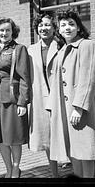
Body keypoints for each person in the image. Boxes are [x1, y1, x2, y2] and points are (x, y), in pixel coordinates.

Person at [46, 8, 95, 178]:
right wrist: (52, 107)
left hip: (79, 108)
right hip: (63, 108)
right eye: (63, 25)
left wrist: (78, 108)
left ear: (78, 27)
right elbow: (55, 81)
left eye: (71, 24)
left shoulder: (86, 44)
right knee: (73, 150)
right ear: (59, 30)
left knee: (85, 150)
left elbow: (88, 77)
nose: (67, 28)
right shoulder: (62, 50)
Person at [0, 17, 31, 178]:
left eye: (7, 30)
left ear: (13, 32)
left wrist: (22, 102)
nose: (4, 33)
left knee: (14, 137)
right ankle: (9, 168)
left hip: (12, 98)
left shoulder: (20, 49)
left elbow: (25, 77)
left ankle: (16, 168)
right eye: (1, 30)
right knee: (0, 137)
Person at [27, 12, 65, 178]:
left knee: (64, 134)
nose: (44, 28)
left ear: (54, 27)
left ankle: (70, 165)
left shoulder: (62, 46)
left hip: (60, 96)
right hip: (41, 98)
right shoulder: (31, 50)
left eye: (47, 24)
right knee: (48, 138)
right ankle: (55, 173)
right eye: (40, 25)